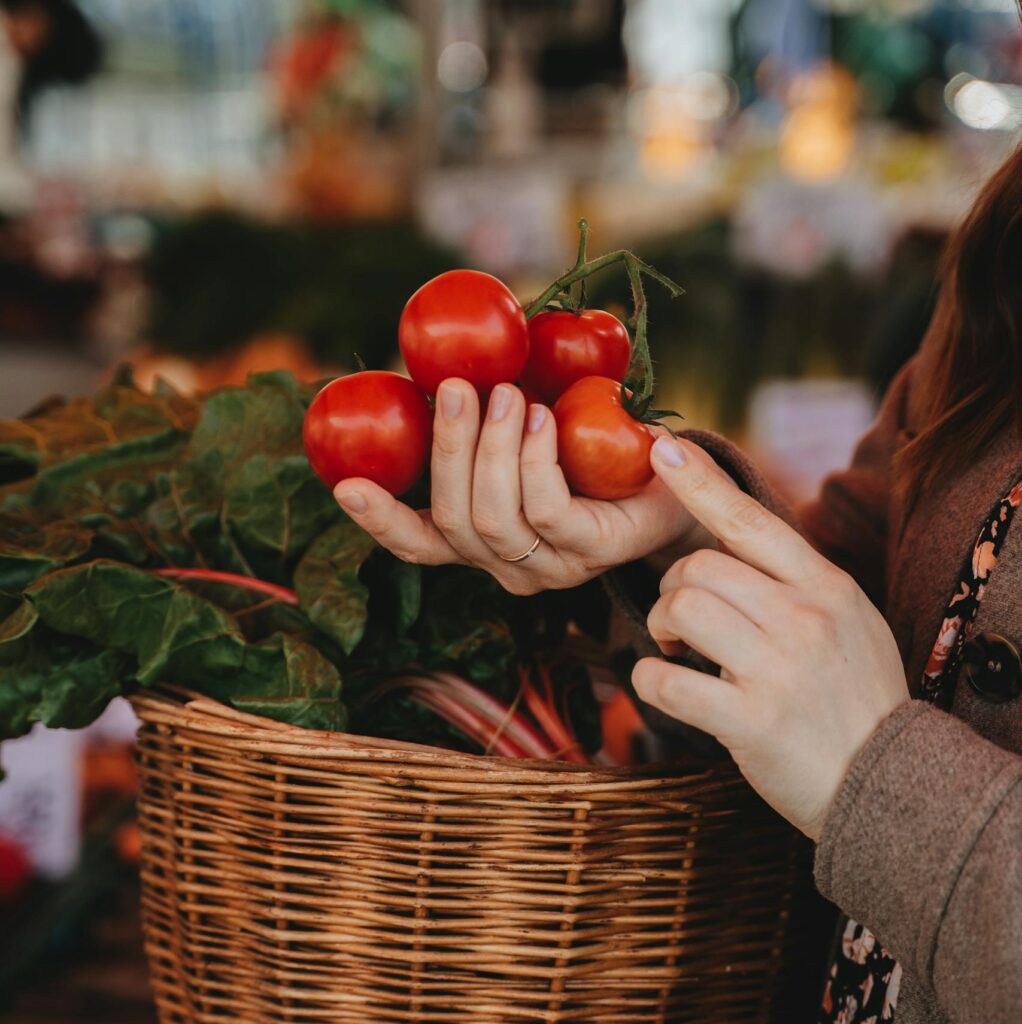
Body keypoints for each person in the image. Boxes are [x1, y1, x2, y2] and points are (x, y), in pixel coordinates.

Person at [330, 131, 1022, 1024]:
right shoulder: (1006, 251)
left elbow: (862, 735)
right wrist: (677, 536)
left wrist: (875, 772)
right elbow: (870, 578)